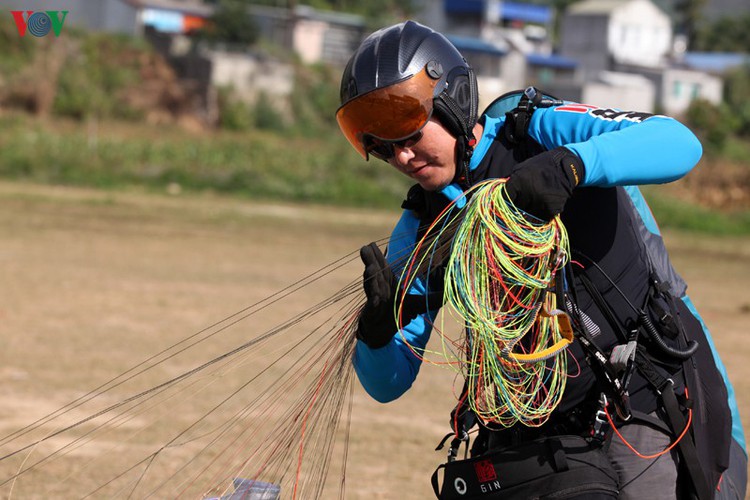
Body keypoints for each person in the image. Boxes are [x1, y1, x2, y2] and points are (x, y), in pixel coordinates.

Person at [336, 20, 747, 500]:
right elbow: (387, 385)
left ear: (451, 98)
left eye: (407, 131)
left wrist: (572, 166)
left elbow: (679, 143)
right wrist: (379, 332)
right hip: (530, 439)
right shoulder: (424, 223)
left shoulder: (536, 130)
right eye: (382, 147)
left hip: (640, 408)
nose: (402, 156)